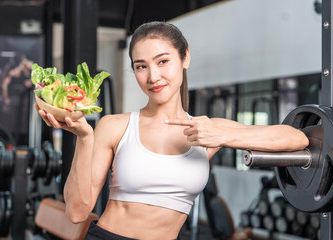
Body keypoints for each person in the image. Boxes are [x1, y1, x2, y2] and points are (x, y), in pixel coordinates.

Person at [35, 21, 309, 240]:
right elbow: (76, 212)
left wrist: (222, 135)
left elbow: (296, 138)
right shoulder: (116, 126)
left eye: (162, 61)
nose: (153, 77)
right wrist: (85, 137)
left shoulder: (208, 130)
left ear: (185, 57)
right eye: (141, 66)